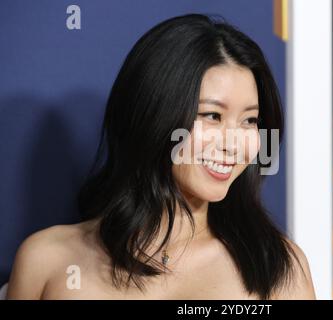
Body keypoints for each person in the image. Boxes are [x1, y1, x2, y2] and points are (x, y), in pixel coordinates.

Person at [6, 14, 315, 300]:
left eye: (249, 121)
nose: (234, 144)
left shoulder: (277, 269)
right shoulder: (46, 260)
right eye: (212, 115)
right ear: (154, 116)